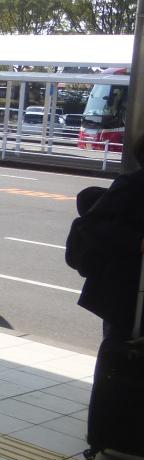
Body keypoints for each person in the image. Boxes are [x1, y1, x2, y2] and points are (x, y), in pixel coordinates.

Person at [76, 136, 144, 339]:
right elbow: (92, 224)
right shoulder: (132, 185)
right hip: (128, 289)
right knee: (121, 345)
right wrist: (137, 242)